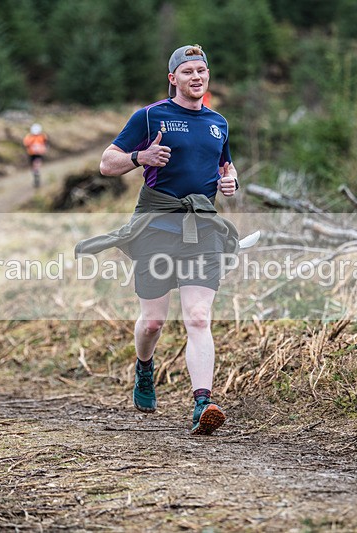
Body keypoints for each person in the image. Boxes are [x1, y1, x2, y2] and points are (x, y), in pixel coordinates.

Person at [76, 44, 239, 435]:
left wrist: (231, 182)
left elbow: (224, 168)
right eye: (187, 72)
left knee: (198, 317)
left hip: (202, 228)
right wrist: (140, 158)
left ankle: (203, 402)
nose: (196, 77)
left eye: (202, 70)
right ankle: (144, 369)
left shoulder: (219, 123)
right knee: (152, 322)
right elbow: (106, 163)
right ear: (173, 79)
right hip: (156, 227)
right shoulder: (149, 116)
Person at [23, 123, 48, 188]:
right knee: (35, 166)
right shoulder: (41, 136)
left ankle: (36, 174)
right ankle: (36, 174)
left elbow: (26, 145)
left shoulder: (39, 137)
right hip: (34, 154)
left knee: (35, 165)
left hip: (35, 154)